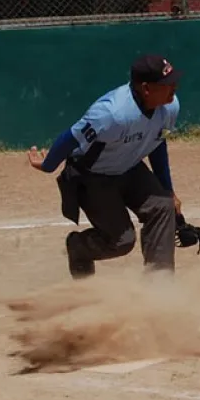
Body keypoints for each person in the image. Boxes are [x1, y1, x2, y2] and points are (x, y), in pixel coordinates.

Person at [27, 54, 183, 279]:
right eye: (166, 84)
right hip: (93, 177)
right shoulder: (112, 113)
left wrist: (168, 190)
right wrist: (49, 165)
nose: (174, 87)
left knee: (162, 206)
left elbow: (156, 144)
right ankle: (79, 247)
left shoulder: (169, 107)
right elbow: (70, 137)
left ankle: (159, 285)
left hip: (129, 167)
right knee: (122, 241)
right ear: (146, 88)